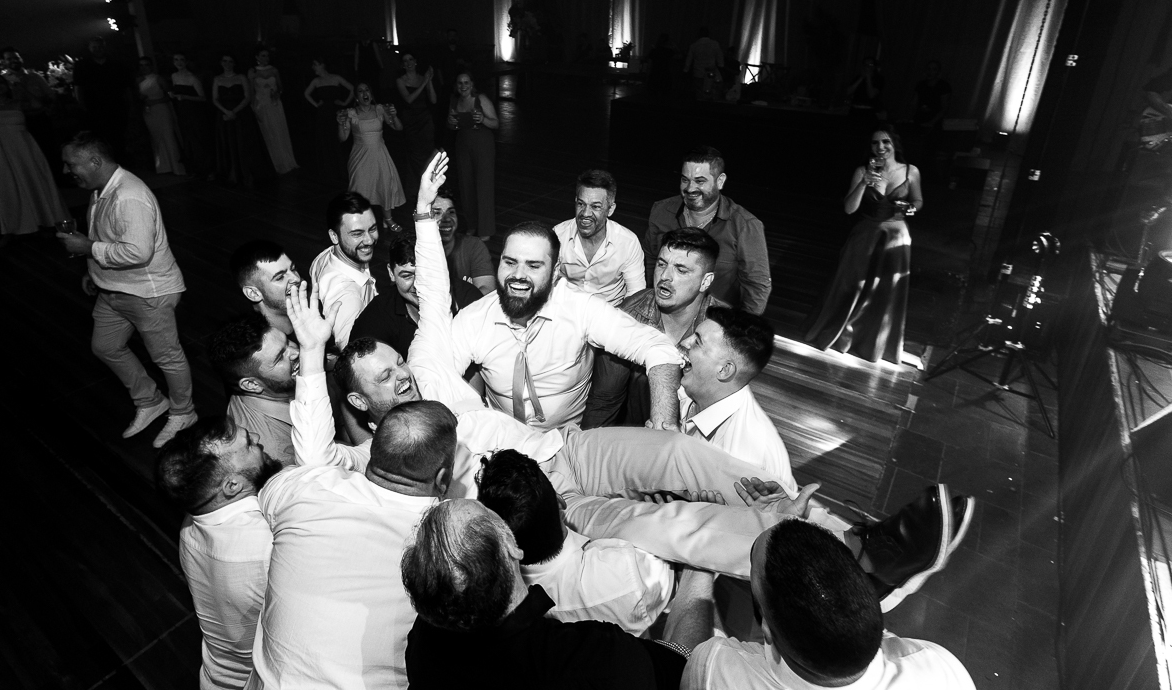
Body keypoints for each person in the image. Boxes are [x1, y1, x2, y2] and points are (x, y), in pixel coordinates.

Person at [290, 153, 966, 611]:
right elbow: (315, 458)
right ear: (363, 406)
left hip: (570, 448)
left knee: (683, 455)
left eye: (399, 365)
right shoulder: (375, 464)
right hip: (539, 506)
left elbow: (434, 294)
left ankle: (847, 534)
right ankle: (842, 568)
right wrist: (314, 356)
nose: (403, 378)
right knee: (668, 528)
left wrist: (423, 217)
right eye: (386, 380)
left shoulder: (433, 364)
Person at [402, 497, 715, 690]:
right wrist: (699, 561)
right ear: (512, 547)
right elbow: (685, 663)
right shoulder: (593, 658)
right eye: (488, 512)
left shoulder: (425, 642)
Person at [250, 400, 457, 690]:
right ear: (443, 478)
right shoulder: (445, 544)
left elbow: (267, 498)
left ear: (372, 451)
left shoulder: (307, 484)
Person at [683, 518, 976, 690]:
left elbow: (683, 652)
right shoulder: (941, 671)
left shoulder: (716, 671)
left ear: (767, 630)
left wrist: (699, 565)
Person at [450, 218, 682, 432]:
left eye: (533, 266)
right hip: (500, 438)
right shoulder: (474, 318)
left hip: (568, 443)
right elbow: (439, 373)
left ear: (554, 272)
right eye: (510, 262)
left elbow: (656, 347)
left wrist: (662, 426)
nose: (518, 275)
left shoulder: (580, 307)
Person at [57, 132, 197, 447]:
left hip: (148, 293)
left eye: (70, 164)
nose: (66, 171)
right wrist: (93, 271)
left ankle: (184, 411)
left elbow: (138, 252)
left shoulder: (129, 196)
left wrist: (88, 248)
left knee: (167, 357)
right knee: (106, 346)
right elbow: (108, 238)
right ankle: (150, 400)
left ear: (94, 161)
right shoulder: (101, 190)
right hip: (114, 289)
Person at [477, 448, 676, 636]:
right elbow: (677, 565)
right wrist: (658, 517)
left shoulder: (498, 603)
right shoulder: (628, 570)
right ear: (561, 501)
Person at [154, 416, 282, 690]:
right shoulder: (268, 542)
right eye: (248, 444)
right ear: (232, 486)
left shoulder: (191, 526)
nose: (258, 438)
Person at [805, 127, 922, 365]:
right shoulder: (862, 171)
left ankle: (874, 344)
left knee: (886, 291)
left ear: (894, 144)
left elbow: (918, 201)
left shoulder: (911, 171)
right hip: (866, 233)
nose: (880, 147)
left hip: (896, 236)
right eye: (875, 143)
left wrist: (911, 208)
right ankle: (842, 336)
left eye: (885, 142)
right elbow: (849, 209)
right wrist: (863, 183)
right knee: (850, 285)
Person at [586, 228, 725, 428]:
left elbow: (720, 412)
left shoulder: (723, 330)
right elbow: (605, 400)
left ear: (705, 281)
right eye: (661, 264)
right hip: (633, 433)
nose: (665, 276)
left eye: (681, 270)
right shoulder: (629, 315)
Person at [643, 146, 771, 314]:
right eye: (685, 180)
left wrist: (740, 325)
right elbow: (651, 260)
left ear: (720, 181)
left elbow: (757, 285)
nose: (690, 188)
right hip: (664, 312)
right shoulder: (661, 211)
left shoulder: (745, 225)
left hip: (715, 319)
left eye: (700, 181)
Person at [677, 306, 793, 486]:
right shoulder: (698, 387)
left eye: (697, 342)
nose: (685, 342)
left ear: (724, 370)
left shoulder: (743, 459)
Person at [350, 234, 482, 360]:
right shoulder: (378, 315)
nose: (418, 285)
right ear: (391, 273)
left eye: (426, 274)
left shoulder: (469, 300)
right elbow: (356, 365)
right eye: (407, 276)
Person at [209, 313, 301, 467]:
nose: (296, 352)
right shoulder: (277, 451)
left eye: (287, 341)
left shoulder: (277, 387)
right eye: (280, 357)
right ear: (252, 385)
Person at [0, 72, 69, 247]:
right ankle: (11, 229)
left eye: (0, 82)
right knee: (6, 187)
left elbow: (41, 105)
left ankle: (43, 222)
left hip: (24, 149)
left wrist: (23, 86)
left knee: (34, 183)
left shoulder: (18, 103)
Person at [554, 169, 645, 306]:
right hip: (567, 309)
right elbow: (545, 281)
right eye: (581, 204)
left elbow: (636, 295)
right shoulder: (558, 235)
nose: (585, 213)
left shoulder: (628, 242)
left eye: (595, 207)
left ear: (610, 209)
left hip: (611, 311)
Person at [310, 191, 379, 350]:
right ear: (334, 236)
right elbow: (353, 353)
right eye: (357, 234)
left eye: (372, 229)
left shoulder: (330, 255)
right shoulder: (347, 297)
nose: (369, 240)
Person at [340, 82, 406, 232]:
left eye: (367, 90)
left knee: (384, 185)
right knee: (359, 189)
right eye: (361, 91)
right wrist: (341, 124)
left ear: (371, 94)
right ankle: (359, 222)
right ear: (356, 97)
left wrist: (394, 115)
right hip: (360, 158)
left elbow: (398, 127)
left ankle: (388, 219)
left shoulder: (380, 109)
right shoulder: (351, 113)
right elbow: (343, 138)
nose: (365, 93)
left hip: (380, 155)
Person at [446, 72, 497, 240]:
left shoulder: (481, 99)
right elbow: (452, 125)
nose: (463, 86)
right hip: (463, 145)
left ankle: (485, 229)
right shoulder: (455, 101)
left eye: (466, 82)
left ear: (472, 84)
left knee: (483, 186)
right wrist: (451, 123)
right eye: (460, 83)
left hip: (483, 145)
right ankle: (472, 225)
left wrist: (482, 119)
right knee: (466, 186)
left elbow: (495, 123)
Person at [73, 36, 131, 159]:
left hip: (116, 106)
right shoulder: (82, 65)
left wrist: (128, 104)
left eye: (100, 47)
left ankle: (120, 160)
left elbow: (125, 85)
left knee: (118, 136)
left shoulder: (116, 63)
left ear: (105, 47)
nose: (98, 49)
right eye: (94, 47)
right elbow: (78, 87)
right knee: (98, 138)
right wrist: (82, 106)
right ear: (89, 48)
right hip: (94, 108)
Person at [230, 239, 302, 338]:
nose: (296, 278)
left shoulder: (313, 308)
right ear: (254, 294)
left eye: (293, 269)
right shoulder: (261, 344)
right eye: (280, 277)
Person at [430, 187, 494, 294]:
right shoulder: (411, 250)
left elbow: (487, 290)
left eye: (451, 212)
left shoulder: (473, 246)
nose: (447, 219)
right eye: (436, 213)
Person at [248, 48, 298, 175]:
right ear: (257, 57)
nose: (266, 58)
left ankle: (284, 160)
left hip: (274, 103)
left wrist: (277, 93)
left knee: (279, 130)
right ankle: (272, 163)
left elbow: (280, 87)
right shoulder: (253, 71)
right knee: (267, 131)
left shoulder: (274, 70)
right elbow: (251, 91)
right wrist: (253, 106)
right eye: (263, 55)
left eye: (267, 56)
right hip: (261, 104)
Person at [213, 54, 259, 186]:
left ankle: (247, 173)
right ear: (221, 63)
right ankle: (232, 173)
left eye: (230, 61)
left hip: (241, 114)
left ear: (234, 63)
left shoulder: (241, 77)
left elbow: (247, 97)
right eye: (225, 61)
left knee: (243, 143)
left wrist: (234, 111)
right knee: (228, 143)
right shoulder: (217, 79)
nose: (227, 64)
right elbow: (215, 99)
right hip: (224, 114)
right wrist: (226, 111)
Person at [137, 56, 187, 175]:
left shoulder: (158, 79)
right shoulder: (138, 80)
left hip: (161, 109)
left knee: (168, 136)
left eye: (146, 65)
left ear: (151, 66)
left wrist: (156, 101)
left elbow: (170, 95)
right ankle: (164, 166)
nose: (144, 68)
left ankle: (177, 166)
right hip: (149, 112)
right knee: (156, 138)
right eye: (141, 65)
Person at [394, 52, 437, 193]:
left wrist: (429, 80)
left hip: (425, 119)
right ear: (402, 64)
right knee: (414, 154)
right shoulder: (400, 80)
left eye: (410, 59)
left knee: (428, 152)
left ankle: (431, 185)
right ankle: (417, 188)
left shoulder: (422, 78)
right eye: (405, 60)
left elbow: (433, 100)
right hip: (411, 120)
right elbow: (409, 99)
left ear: (415, 61)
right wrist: (424, 82)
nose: (408, 62)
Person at [303, 58, 353, 170]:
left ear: (322, 65)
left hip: (336, 112)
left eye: (315, 64)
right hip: (323, 113)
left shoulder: (336, 77)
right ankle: (329, 165)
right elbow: (306, 94)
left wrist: (345, 103)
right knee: (325, 138)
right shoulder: (316, 81)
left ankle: (341, 163)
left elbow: (352, 89)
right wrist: (316, 105)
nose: (313, 67)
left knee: (338, 136)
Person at [169, 53, 211, 177]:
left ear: (186, 62)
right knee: (187, 139)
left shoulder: (192, 78)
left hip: (194, 112)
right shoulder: (174, 76)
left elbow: (203, 98)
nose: (179, 62)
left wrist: (185, 97)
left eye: (182, 60)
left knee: (198, 139)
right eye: (176, 60)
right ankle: (193, 169)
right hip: (182, 112)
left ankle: (206, 169)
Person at [683, 27, 724, 100]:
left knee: (699, 93)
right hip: (711, 72)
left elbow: (688, 61)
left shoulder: (694, 45)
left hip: (698, 72)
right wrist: (721, 66)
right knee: (710, 93)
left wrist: (685, 70)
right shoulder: (715, 44)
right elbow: (720, 58)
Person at [846, 57, 885, 126]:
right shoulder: (858, 77)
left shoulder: (878, 79)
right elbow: (848, 92)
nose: (867, 67)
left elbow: (871, 95)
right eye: (865, 64)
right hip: (854, 111)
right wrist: (861, 78)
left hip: (867, 112)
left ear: (874, 67)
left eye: (870, 65)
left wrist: (868, 78)